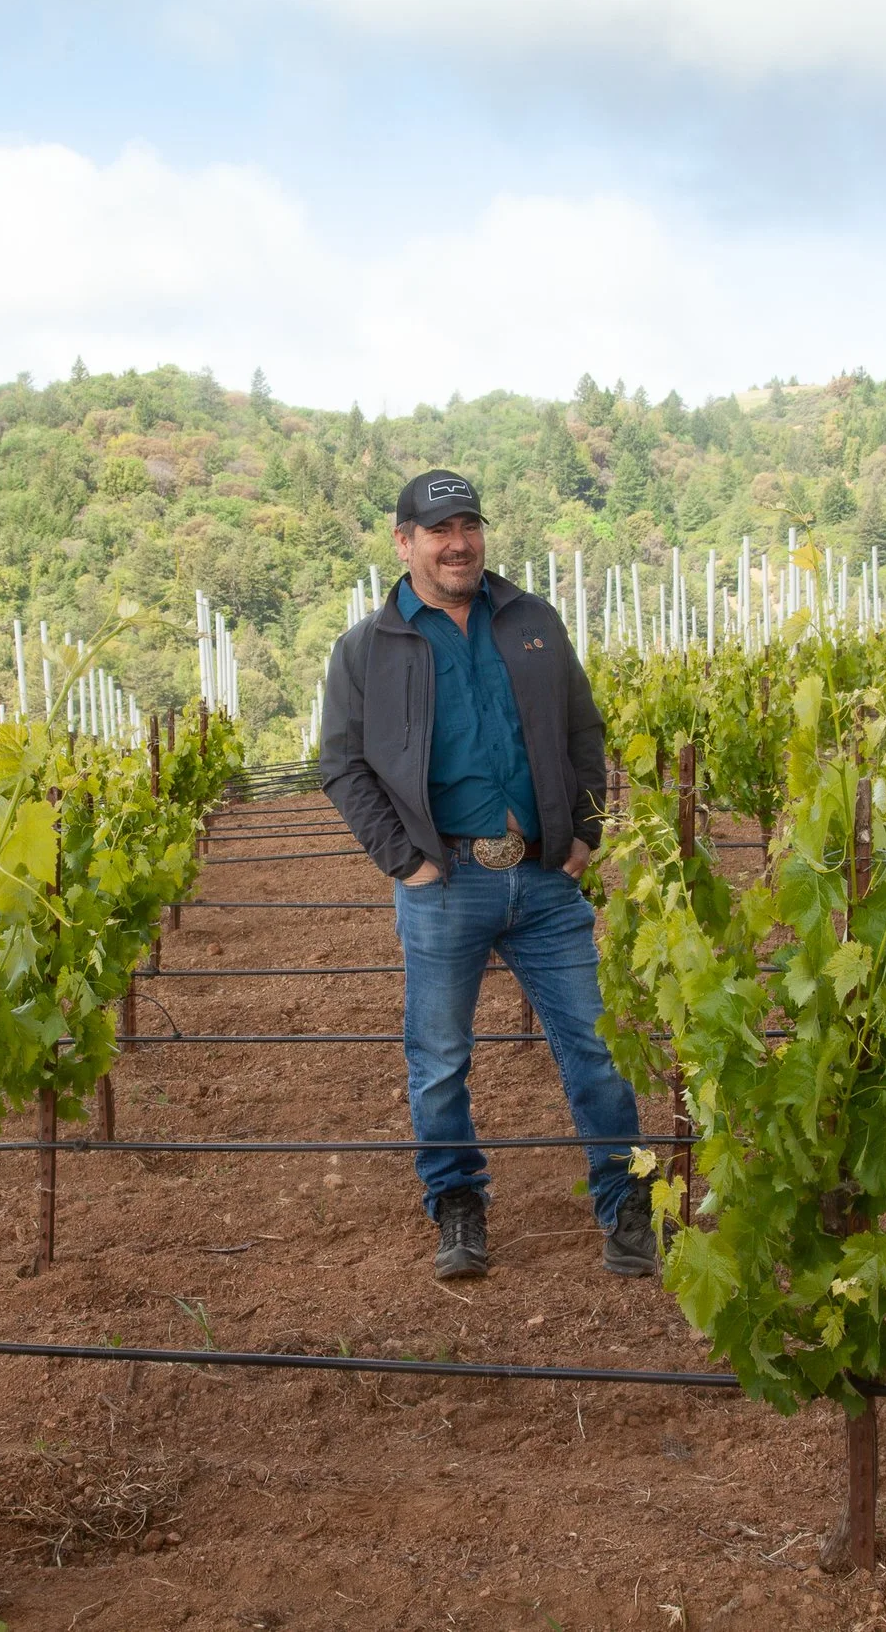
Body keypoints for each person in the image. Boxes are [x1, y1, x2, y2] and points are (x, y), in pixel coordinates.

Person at [318, 469, 653, 1282]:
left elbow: (582, 728)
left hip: (544, 878)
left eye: (468, 524)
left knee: (596, 1047)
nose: (458, 541)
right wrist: (407, 860)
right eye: (439, 529)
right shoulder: (367, 648)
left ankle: (626, 1202)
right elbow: (341, 764)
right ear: (404, 542)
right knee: (438, 1058)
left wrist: (584, 834)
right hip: (446, 883)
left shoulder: (531, 621)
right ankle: (457, 1202)